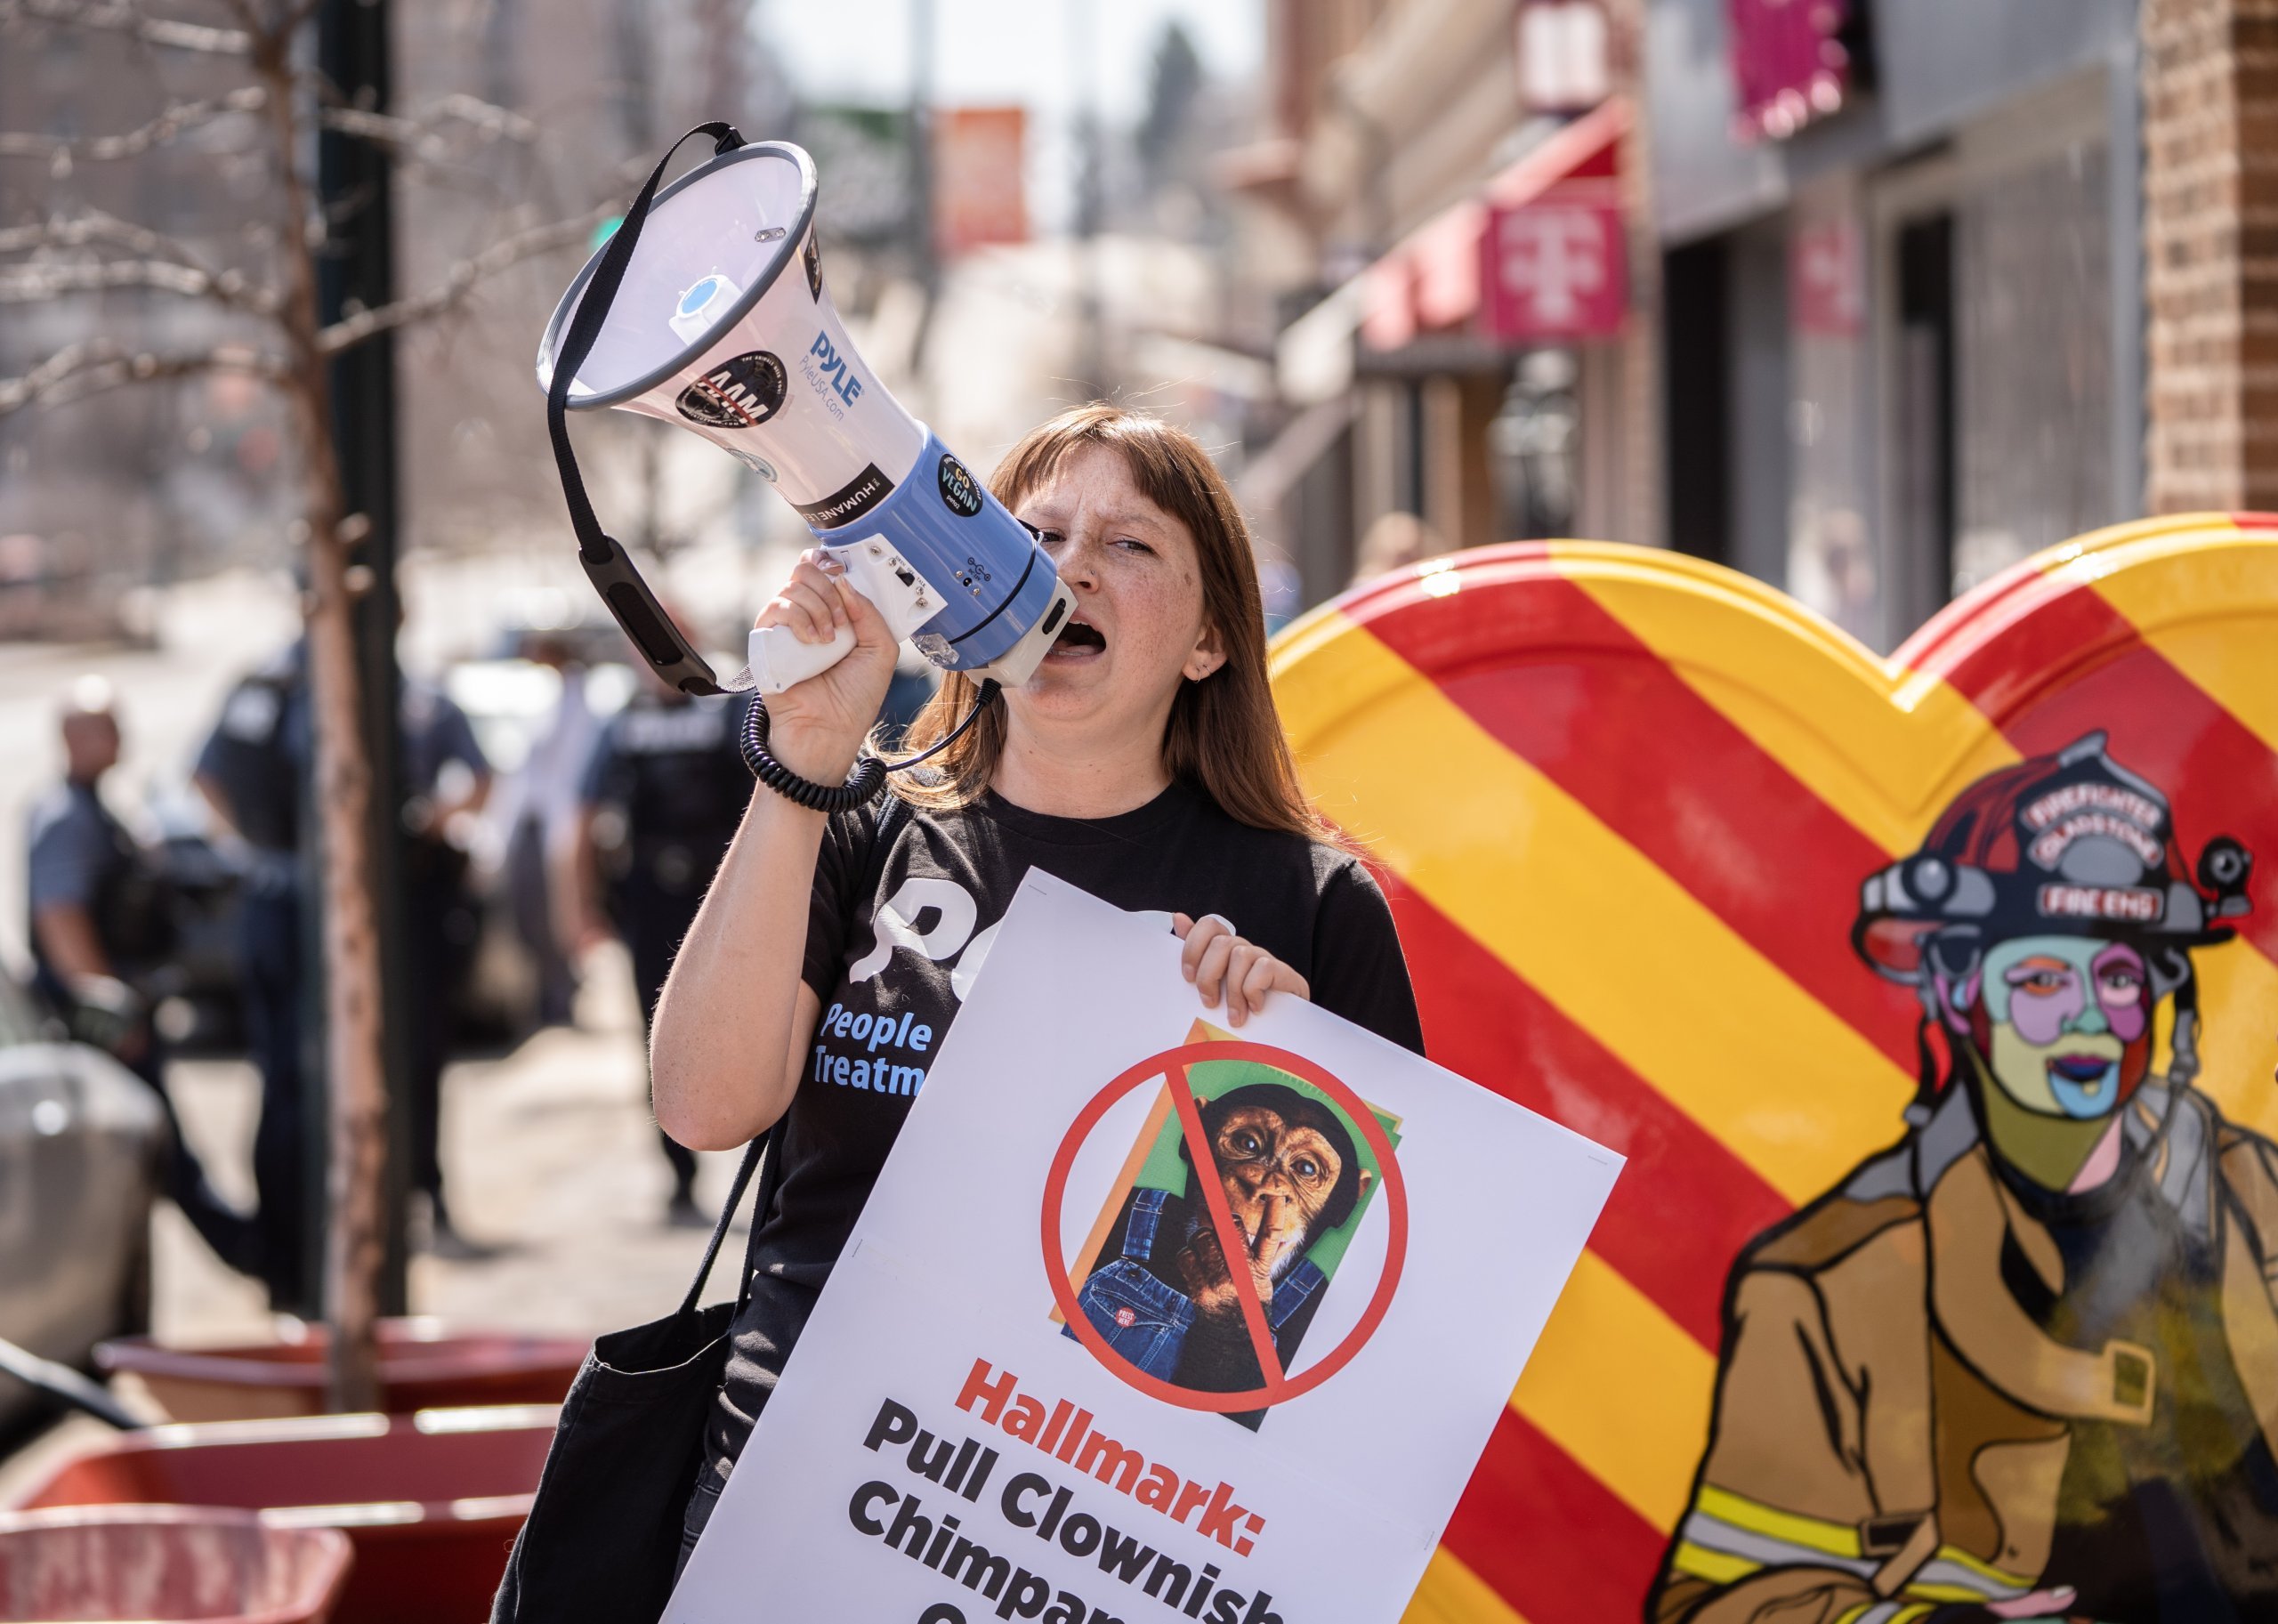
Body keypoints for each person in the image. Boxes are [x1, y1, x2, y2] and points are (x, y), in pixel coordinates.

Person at [651, 404, 1425, 1563]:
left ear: (1209, 639)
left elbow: (1360, 1320)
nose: (1070, 567)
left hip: (1091, 1543)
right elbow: (704, 1104)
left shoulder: (1314, 909)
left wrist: (1300, 1072)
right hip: (798, 1493)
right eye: (1037, 534)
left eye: (1130, 544)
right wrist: (801, 766)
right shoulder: (861, 831)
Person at [1650, 732, 2278, 1623]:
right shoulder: (1826, 1285)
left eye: (2118, 976)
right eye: (2040, 979)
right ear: (1954, 991)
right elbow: (1720, 1604)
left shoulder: (2255, 1199)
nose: (2089, 1018)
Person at [28, 677, 258, 1274]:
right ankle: (260, 1258)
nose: (121, 737)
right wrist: (111, 1010)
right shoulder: (64, 820)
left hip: (121, 1014)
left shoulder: (98, 813)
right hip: (100, 1028)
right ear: (75, 737)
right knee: (157, 1155)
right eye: (109, 726)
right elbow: (61, 923)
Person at [561, 655, 752, 1225]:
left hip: (723, 891)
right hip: (649, 899)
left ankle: (763, 1173)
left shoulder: (730, 710)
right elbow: (585, 818)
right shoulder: (621, 723)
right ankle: (679, 1178)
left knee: (750, 1024)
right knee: (657, 1032)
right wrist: (582, 909)